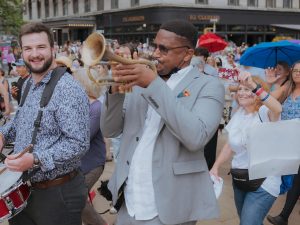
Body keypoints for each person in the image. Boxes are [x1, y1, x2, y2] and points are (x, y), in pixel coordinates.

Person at [100, 20, 225, 225]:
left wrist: (153, 84)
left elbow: (196, 137)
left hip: (170, 206)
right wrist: (115, 91)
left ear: (187, 54)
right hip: (129, 200)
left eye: (164, 49)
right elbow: (110, 129)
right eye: (154, 46)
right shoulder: (141, 81)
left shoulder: (209, 86)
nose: (155, 54)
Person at [0, 22, 90, 225]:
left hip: (57, 193)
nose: (34, 54)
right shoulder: (29, 84)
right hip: (24, 189)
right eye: (28, 48)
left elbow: (79, 144)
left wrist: (36, 159)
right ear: (21, 52)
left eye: (40, 47)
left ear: (53, 49)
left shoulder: (68, 90)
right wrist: (3, 134)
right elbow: (21, 122)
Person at [210, 73, 282, 225]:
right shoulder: (239, 114)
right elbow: (229, 145)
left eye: (247, 89)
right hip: (241, 178)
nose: (242, 92)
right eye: (240, 89)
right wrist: (215, 167)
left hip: (264, 182)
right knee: (248, 221)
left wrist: (254, 86)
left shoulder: (264, 113)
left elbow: (277, 108)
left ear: (257, 94)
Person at [267, 61, 300, 225]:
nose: (297, 73)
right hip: (287, 141)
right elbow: (268, 99)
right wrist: (271, 83)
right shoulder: (287, 88)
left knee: (296, 180)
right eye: (295, 70)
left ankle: (283, 216)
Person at [73, 68, 108, 225]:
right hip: (79, 163)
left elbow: (83, 138)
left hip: (92, 164)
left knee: (77, 199)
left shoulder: (96, 108)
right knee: (76, 201)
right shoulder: (79, 105)